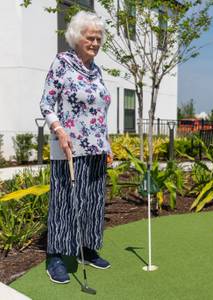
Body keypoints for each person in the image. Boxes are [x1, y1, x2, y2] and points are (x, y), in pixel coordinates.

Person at [40, 11, 112, 284]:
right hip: (68, 146)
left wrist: (107, 143)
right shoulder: (63, 63)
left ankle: (87, 249)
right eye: (90, 37)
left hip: (96, 147)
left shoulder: (97, 70)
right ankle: (56, 257)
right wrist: (59, 130)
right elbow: (46, 102)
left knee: (93, 201)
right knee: (65, 203)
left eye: (98, 38)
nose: (95, 42)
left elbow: (100, 109)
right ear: (77, 37)